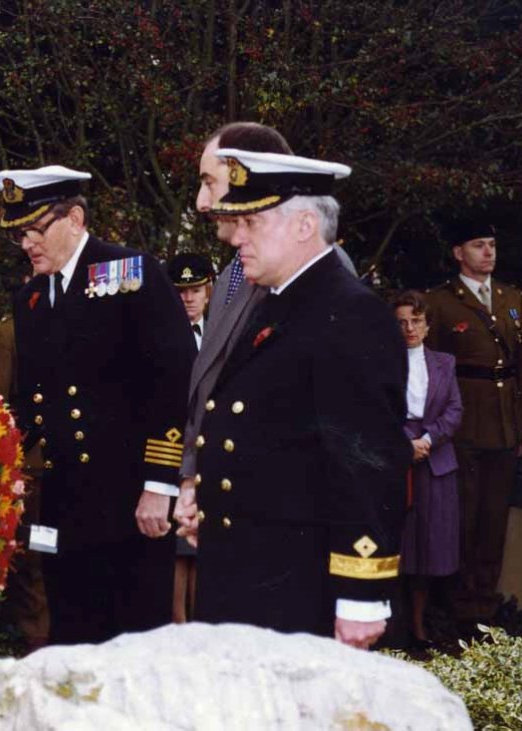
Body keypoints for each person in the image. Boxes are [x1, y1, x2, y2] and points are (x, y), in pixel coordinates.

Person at [176, 147, 411, 649]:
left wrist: (361, 593)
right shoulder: (279, 303)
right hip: (245, 572)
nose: (236, 237)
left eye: (252, 224)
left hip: (300, 589)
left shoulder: (349, 314)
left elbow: (367, 465)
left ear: (304, 225)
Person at [0, 165, 196, 644]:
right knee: (73, 636)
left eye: (35, 229)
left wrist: (159, 485)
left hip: (130, 496)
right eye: (19, 233)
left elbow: (173, 383)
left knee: (136, 639)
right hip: (65, 497)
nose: (26, 243)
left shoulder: (131, 273)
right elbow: (35, 400)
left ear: (75, 218)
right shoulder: (32, 297)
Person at [176, 123, 357, 540]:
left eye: (209, 183)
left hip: (279, 527)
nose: (202, 203)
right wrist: (193, 479)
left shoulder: (320, 279)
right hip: (230, 517)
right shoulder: (231, 276)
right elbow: (210, 389)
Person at [424, 215, 522, 621]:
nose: (488, 253)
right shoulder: (439, 302)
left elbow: (520, 367)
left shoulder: (510, 298)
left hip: (503, 426)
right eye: (477, 245)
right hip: (463, 426)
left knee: (494, 521)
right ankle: (455, 609)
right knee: (463, 522)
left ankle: (484, 606)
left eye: (491, 244)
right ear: (458, 253)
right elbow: (431, 369)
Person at [393, 290, 463, 647]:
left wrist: (428, 440)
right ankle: (398, 626)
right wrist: (404, 444)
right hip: (398, 462)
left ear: (427, 324)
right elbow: (379, 409)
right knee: (402, 547)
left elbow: (454, 411)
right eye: (402, 321)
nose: (409, 328)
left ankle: (422, 627)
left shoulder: (444, 363)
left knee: (431, 550)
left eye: (416, 321)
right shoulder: (384, 362)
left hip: (435, 462)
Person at [0, 308, 51, 651]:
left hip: (77, 465)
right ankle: (37, 633)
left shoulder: (85, 317)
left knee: (70, 548)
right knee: (35, 550)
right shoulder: (10, 332)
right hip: (32, 461)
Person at [166, 251, 214, 622]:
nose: (188, 298)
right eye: (181, 290)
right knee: (177, 548)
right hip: (172, 448)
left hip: (212, 451)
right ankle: (178, 626)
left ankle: (203, 626)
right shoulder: (162, 335)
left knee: (204, 546)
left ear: (209, 289)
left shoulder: (221, 331)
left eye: (195, 289)